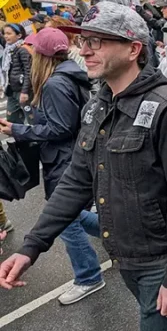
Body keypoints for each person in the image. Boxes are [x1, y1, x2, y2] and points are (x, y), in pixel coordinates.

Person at [0, 1, 167, 331]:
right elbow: (76, 181)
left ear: (133, 49)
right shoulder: (99, 107)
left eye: (97, 41)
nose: (86, 50)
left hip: (159, 261)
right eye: (83, 41)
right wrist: (31, 247)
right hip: (125, 257)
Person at [0, 27, 104, 304]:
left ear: (43, 54)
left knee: (65, 219)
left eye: (35, 49)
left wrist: (20, 130)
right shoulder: (68, 73)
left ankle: (89, 276)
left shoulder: (56, 83)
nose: (31, 52)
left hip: (65, 160)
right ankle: (119, 233)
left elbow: (60, 128)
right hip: (72, 157)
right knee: (73, 216)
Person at [2, 23, 32, 123]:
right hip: (11, 90)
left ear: (19, 35)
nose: (6, 36)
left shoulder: (23, 49)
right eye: (4, 33)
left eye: (9, 33)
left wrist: (24, 92)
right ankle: (18, 138)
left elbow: (29, 72)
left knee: (32, 119)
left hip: (23, 91)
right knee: (12, 119)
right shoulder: (8, 50)